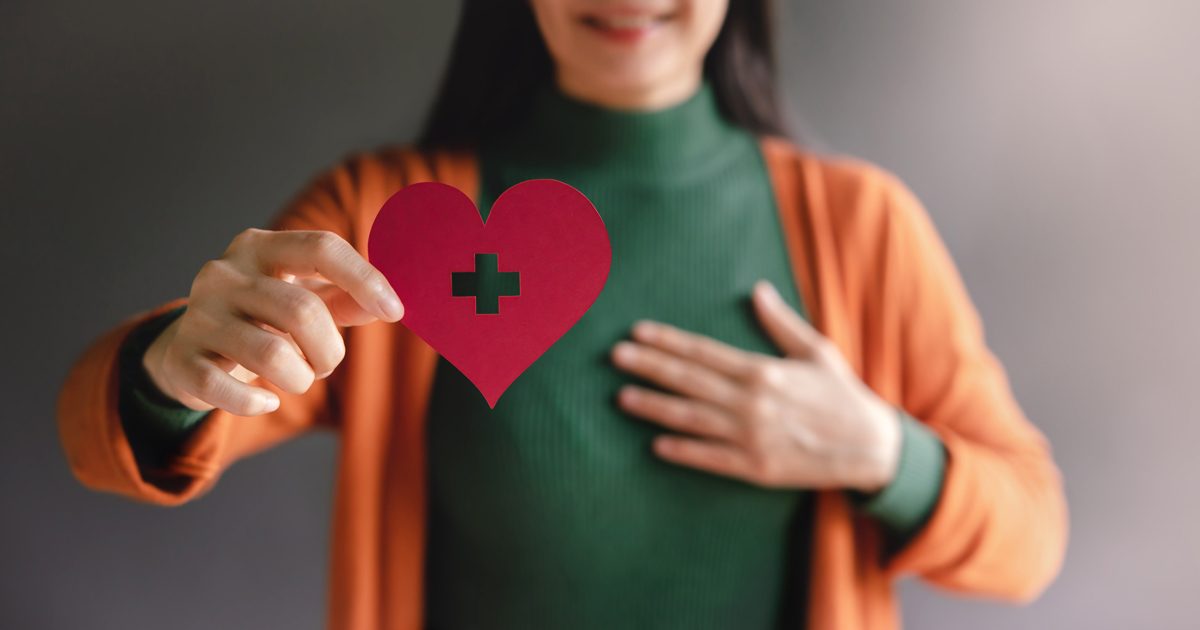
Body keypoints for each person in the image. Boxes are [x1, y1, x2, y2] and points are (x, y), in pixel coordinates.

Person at [57, 1, 1068, 629]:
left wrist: (883, 452)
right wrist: (174, 372)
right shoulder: (388, 222)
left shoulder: (864, 227)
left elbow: (1031, 539)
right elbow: (115, 440)